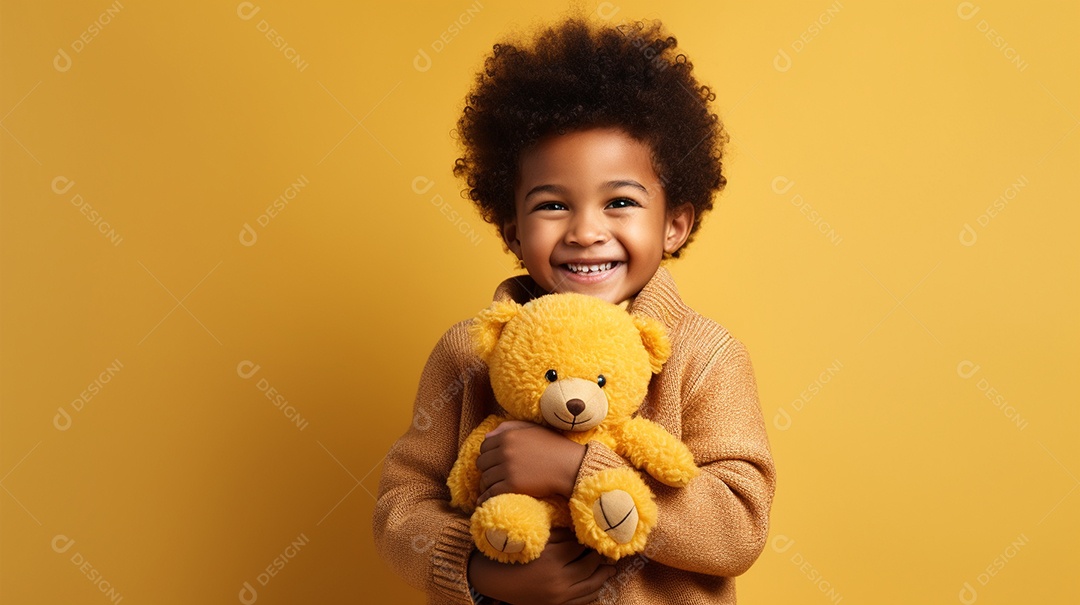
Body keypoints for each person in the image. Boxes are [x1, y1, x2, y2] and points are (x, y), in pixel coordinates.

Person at [373, 13, 775, 605]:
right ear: (512, 230)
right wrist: (478, 571)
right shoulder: (468, 352)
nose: (587, 231)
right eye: (552, 205)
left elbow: (738, 527)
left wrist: (576, 468)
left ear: (675, 224)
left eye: (619, 201)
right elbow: (400, 506)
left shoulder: (706, 357)